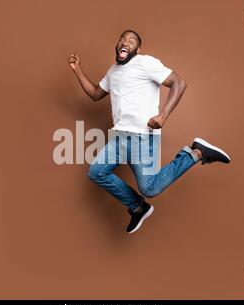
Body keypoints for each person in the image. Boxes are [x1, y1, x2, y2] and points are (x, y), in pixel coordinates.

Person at [68, 29, 230, 234]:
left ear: (138, 49)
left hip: (142, 138)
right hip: (118, 138)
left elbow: (178, 84)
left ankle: (195, 153)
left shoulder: (145, 63)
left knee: (150, 188)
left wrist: (163, 115)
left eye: (131, 40)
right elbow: (94, 94)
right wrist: (77, 69)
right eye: (122, 39)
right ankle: (138, 207)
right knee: (97, 172)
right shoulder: (112, 72)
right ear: (117, 46)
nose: (125, 42)